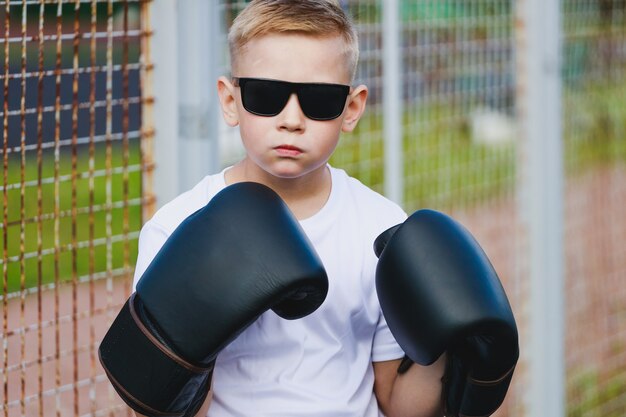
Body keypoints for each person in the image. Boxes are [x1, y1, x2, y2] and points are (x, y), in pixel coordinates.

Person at [131, 1, 446, 416]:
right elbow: (154, 407)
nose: (292, 119)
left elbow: (398, 404)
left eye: (319, 99)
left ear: (351, 108)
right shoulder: (175, 231)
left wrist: (452, 345)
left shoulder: (382, 231)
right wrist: (194, 330)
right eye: (266, 94)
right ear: (229, 100)